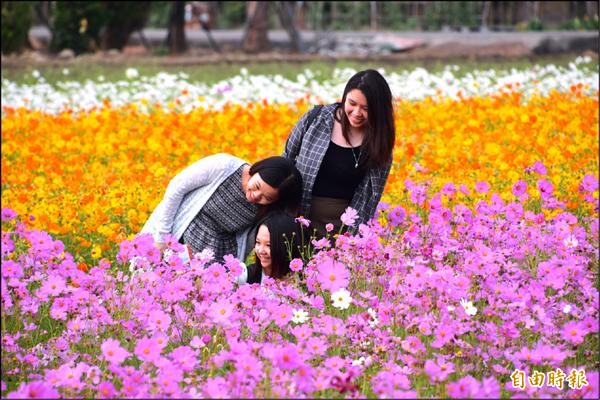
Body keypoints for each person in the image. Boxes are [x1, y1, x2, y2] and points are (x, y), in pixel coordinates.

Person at [283, 69, 395, 238]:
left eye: (366, 108)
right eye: (352, 103)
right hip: (297, 219)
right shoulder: (316, 119)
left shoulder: (379, 143)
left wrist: (351, 240)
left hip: (340, 232)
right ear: (344, 98)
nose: (357, 113)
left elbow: (370, 199)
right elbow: (285, 161)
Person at [140, 153, 302, 261]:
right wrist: (161, 238)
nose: (256, 196)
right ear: (257, 170)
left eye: (266, 197)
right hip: (176, 236)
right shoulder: (224, 167)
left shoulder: (269, 210)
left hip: (216, 256)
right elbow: (176, 188)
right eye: (257, 186)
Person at [236, 211, 302, 284]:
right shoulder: (247, 273)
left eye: (268, 245)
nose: (261, 251)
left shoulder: (304, 278)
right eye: (258, 242)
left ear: (286, 246)